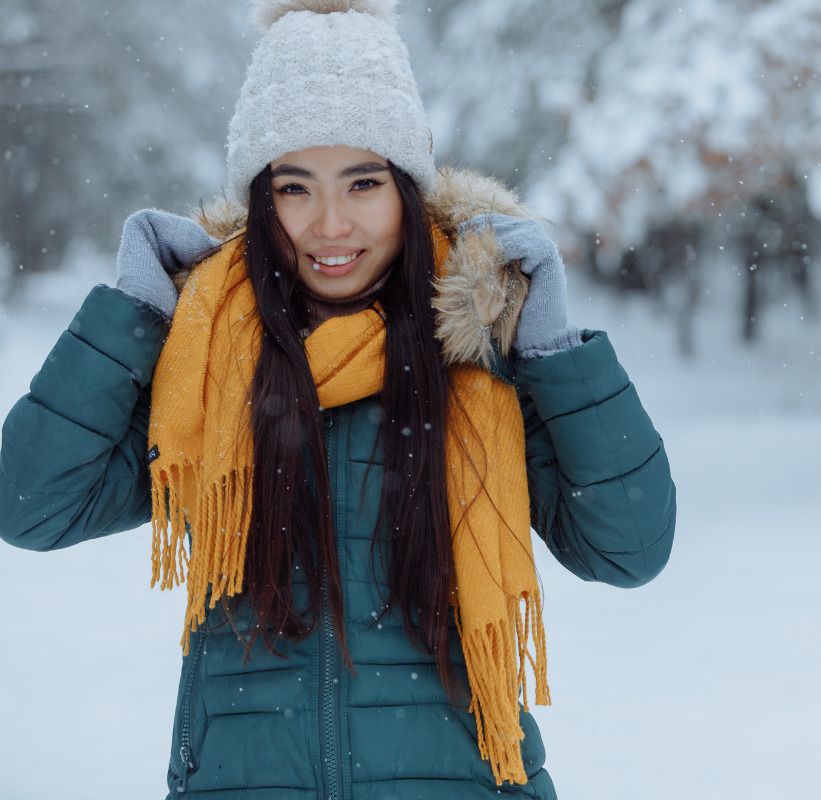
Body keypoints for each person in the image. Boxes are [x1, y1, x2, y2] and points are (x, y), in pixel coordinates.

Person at [0, 1, 675, 797]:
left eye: (364, 182)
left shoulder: (480, 358)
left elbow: (627, 549)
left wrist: (555, 352)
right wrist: (136, 314)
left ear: (410, 188)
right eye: (295, 187)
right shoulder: (209, 365)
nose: (330, 225)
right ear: (261, 200)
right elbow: (30, 502)